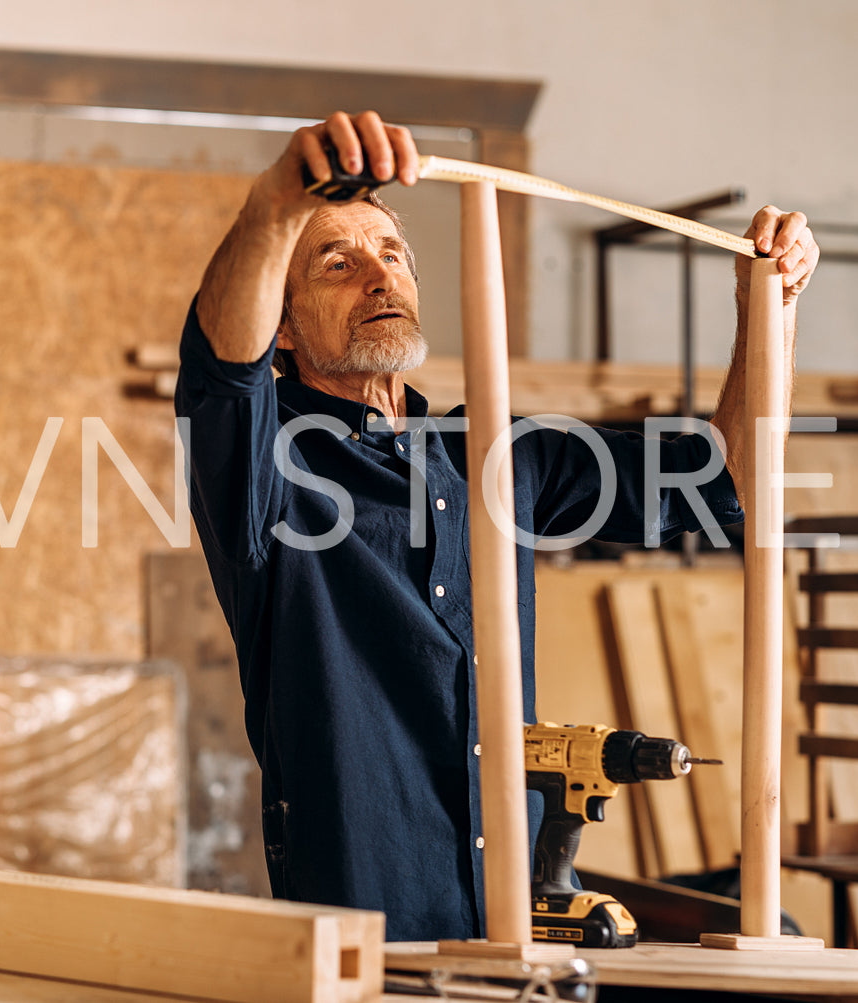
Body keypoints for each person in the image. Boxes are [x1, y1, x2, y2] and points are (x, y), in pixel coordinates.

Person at [174, 110, 819, 941]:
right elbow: (221, 372)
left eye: (392, 255)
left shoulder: (494, 454)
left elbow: (722, 481)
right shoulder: (272, 469)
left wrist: (767, 305)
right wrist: (276, 205)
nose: (378, 277)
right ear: (285, 331)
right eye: (335, 263)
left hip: (522, 923)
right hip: (377, 940)